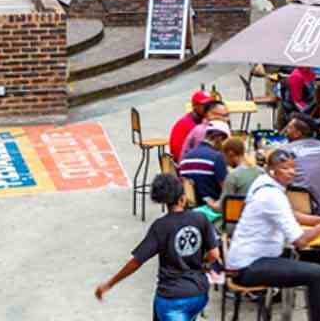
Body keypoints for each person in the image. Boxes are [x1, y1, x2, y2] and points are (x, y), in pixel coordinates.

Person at [226, 148, 320, 321]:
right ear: (272, 170)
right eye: (285, 168)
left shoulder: (264, 183)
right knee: (318, 274)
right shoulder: (271, 195)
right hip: (249, 266)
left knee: (317, 258)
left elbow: (291, 214)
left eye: (293, 167)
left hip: (257, 257)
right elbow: (300, 242)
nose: (292, 172)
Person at [96, 173, 218, 320]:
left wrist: (109, 284)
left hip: (171, 299)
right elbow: (214, 255)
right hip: (198, 295)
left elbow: (136, 262)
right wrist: (201, 262)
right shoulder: (200, 218)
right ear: (182, 198)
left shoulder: (160, 226)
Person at [284, 115, 320, 213]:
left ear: (298, 133)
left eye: (289, 128)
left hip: (298, 206)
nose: (285, 130)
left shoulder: (286, 150)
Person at [179, 123, 230, 207]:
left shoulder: (185, 158)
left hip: (191, 210)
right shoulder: (217, 157)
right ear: (220, 138)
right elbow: (226, 189)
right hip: (212, 211)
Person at [171, 91, 214, 161]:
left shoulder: (205, 120)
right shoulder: (184, 124)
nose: (209, 107)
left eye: (211, 104)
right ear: (195, 106)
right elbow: (178, 154)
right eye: (205, 105)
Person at [219, 138, 263, 205]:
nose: (224, 160)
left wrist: (210, 202)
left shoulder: (233, 176)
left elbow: (223, 206)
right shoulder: (261, 172)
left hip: (239, 214)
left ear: (230, 154)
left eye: (224, 156)